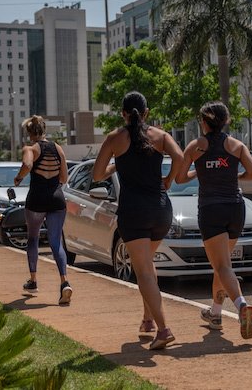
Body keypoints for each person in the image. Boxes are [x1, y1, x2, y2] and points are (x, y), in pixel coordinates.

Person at [93, 91, 184, 350]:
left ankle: (164, 330)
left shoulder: (115, 138)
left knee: (142, 270)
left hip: (133, 212)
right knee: (147, 266)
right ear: (146, 113)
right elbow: (179, 158)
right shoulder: (160, 135)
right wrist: (168, 180)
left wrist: (116, 165)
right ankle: (147, 321)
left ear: (123, 113)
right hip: (161, 210)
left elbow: (98, 173)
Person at [176, 101, 252, 340]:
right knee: (221, 267)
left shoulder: (196, 146)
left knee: (222, 266)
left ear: (204, 122)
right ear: (225, 121)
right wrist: (232, 174)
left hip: (211, 209)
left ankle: (242, 305)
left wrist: (199, 171)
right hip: (235, 208)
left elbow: (180, 178)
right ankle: (215, 313)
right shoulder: (236, 145)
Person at [14, 115, 72, 305]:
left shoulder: (30, 148)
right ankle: (65, 282)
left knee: (33, 238)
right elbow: (64, 178)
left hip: (37, 200)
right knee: (56, 242)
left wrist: (19, 178)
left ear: (29, 133)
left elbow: (28, 164)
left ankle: (33, 280)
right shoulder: (58, 148)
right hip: (56, 200)